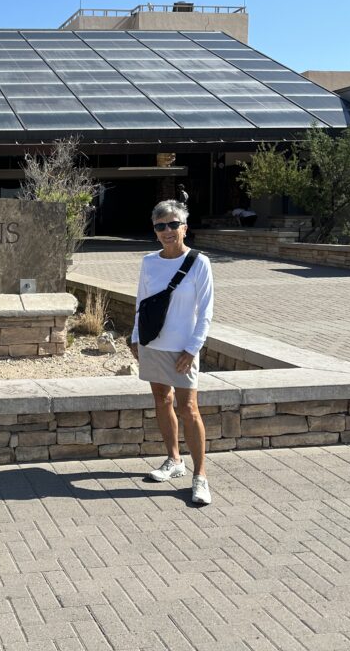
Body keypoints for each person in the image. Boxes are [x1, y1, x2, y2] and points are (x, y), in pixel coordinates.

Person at [130, 199, 215, 505]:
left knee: (189, 409)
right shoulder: (149, 262)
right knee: (161, 400)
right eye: (160, 226)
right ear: (155, 231)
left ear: (184, 227)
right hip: (153, 344)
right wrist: (135, 338)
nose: (167, 230)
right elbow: (141, 302)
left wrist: (193, 349)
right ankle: (174, 460)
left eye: (173, 224)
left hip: (182, 349)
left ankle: (200, 476)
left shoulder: (199, 263)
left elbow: (206, 312)